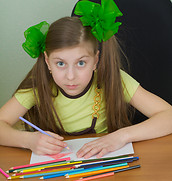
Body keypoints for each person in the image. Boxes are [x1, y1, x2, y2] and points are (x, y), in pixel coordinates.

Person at [0, 0, 171, 159]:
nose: (70, 76)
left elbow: (168, 116)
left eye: (81, 63)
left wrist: (122, 135)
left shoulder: (113, 79)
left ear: (96, 60)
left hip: (100, 166)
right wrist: (28, 140)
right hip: (54, 170)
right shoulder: (39, 84)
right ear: (47, 61)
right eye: (60, 63)